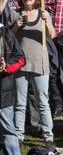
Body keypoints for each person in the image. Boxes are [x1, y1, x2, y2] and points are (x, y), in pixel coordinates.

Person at [12, 0, 55, 145]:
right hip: (20, 63)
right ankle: (18, 135)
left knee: (42, 101)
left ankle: (48, 136)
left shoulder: (43, 13)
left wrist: (47, 21)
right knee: (20, 102)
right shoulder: (17, 15)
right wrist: (16, 27)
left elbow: (52, 35)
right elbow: (9, 38)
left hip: (40, 62)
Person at [0, 23, 26, 155]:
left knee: (8, 131)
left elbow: (20, 58)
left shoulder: (5, 32)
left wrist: (6, 66)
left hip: (3, 92)